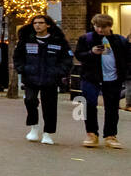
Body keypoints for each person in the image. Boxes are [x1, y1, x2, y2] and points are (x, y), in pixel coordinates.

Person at [14, 14, 72, 145]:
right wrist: (22, 69)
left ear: (48, 25)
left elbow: (67, 59)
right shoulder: (26, 40)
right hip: (31, 77)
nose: (37, 25)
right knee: (30, 100)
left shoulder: (58, 41)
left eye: (41, 23)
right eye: (35, 23)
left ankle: (48, 133)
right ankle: (34, 127)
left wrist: (59, 72)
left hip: (50, 78)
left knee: (50, 106)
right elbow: (17, 57)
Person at [74, 13, 128, 149]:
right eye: (97, 26)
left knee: (112, 107)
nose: (99, 30)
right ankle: (92, 134)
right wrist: (92, 53)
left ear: (110, 26)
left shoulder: (119, 40)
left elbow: (128, 57)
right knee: (90, 105)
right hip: (91, 78)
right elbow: (79, 56)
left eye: (103, 27)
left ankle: (110, 135)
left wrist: (125, 73)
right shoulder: (86, 39)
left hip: (113, 78)